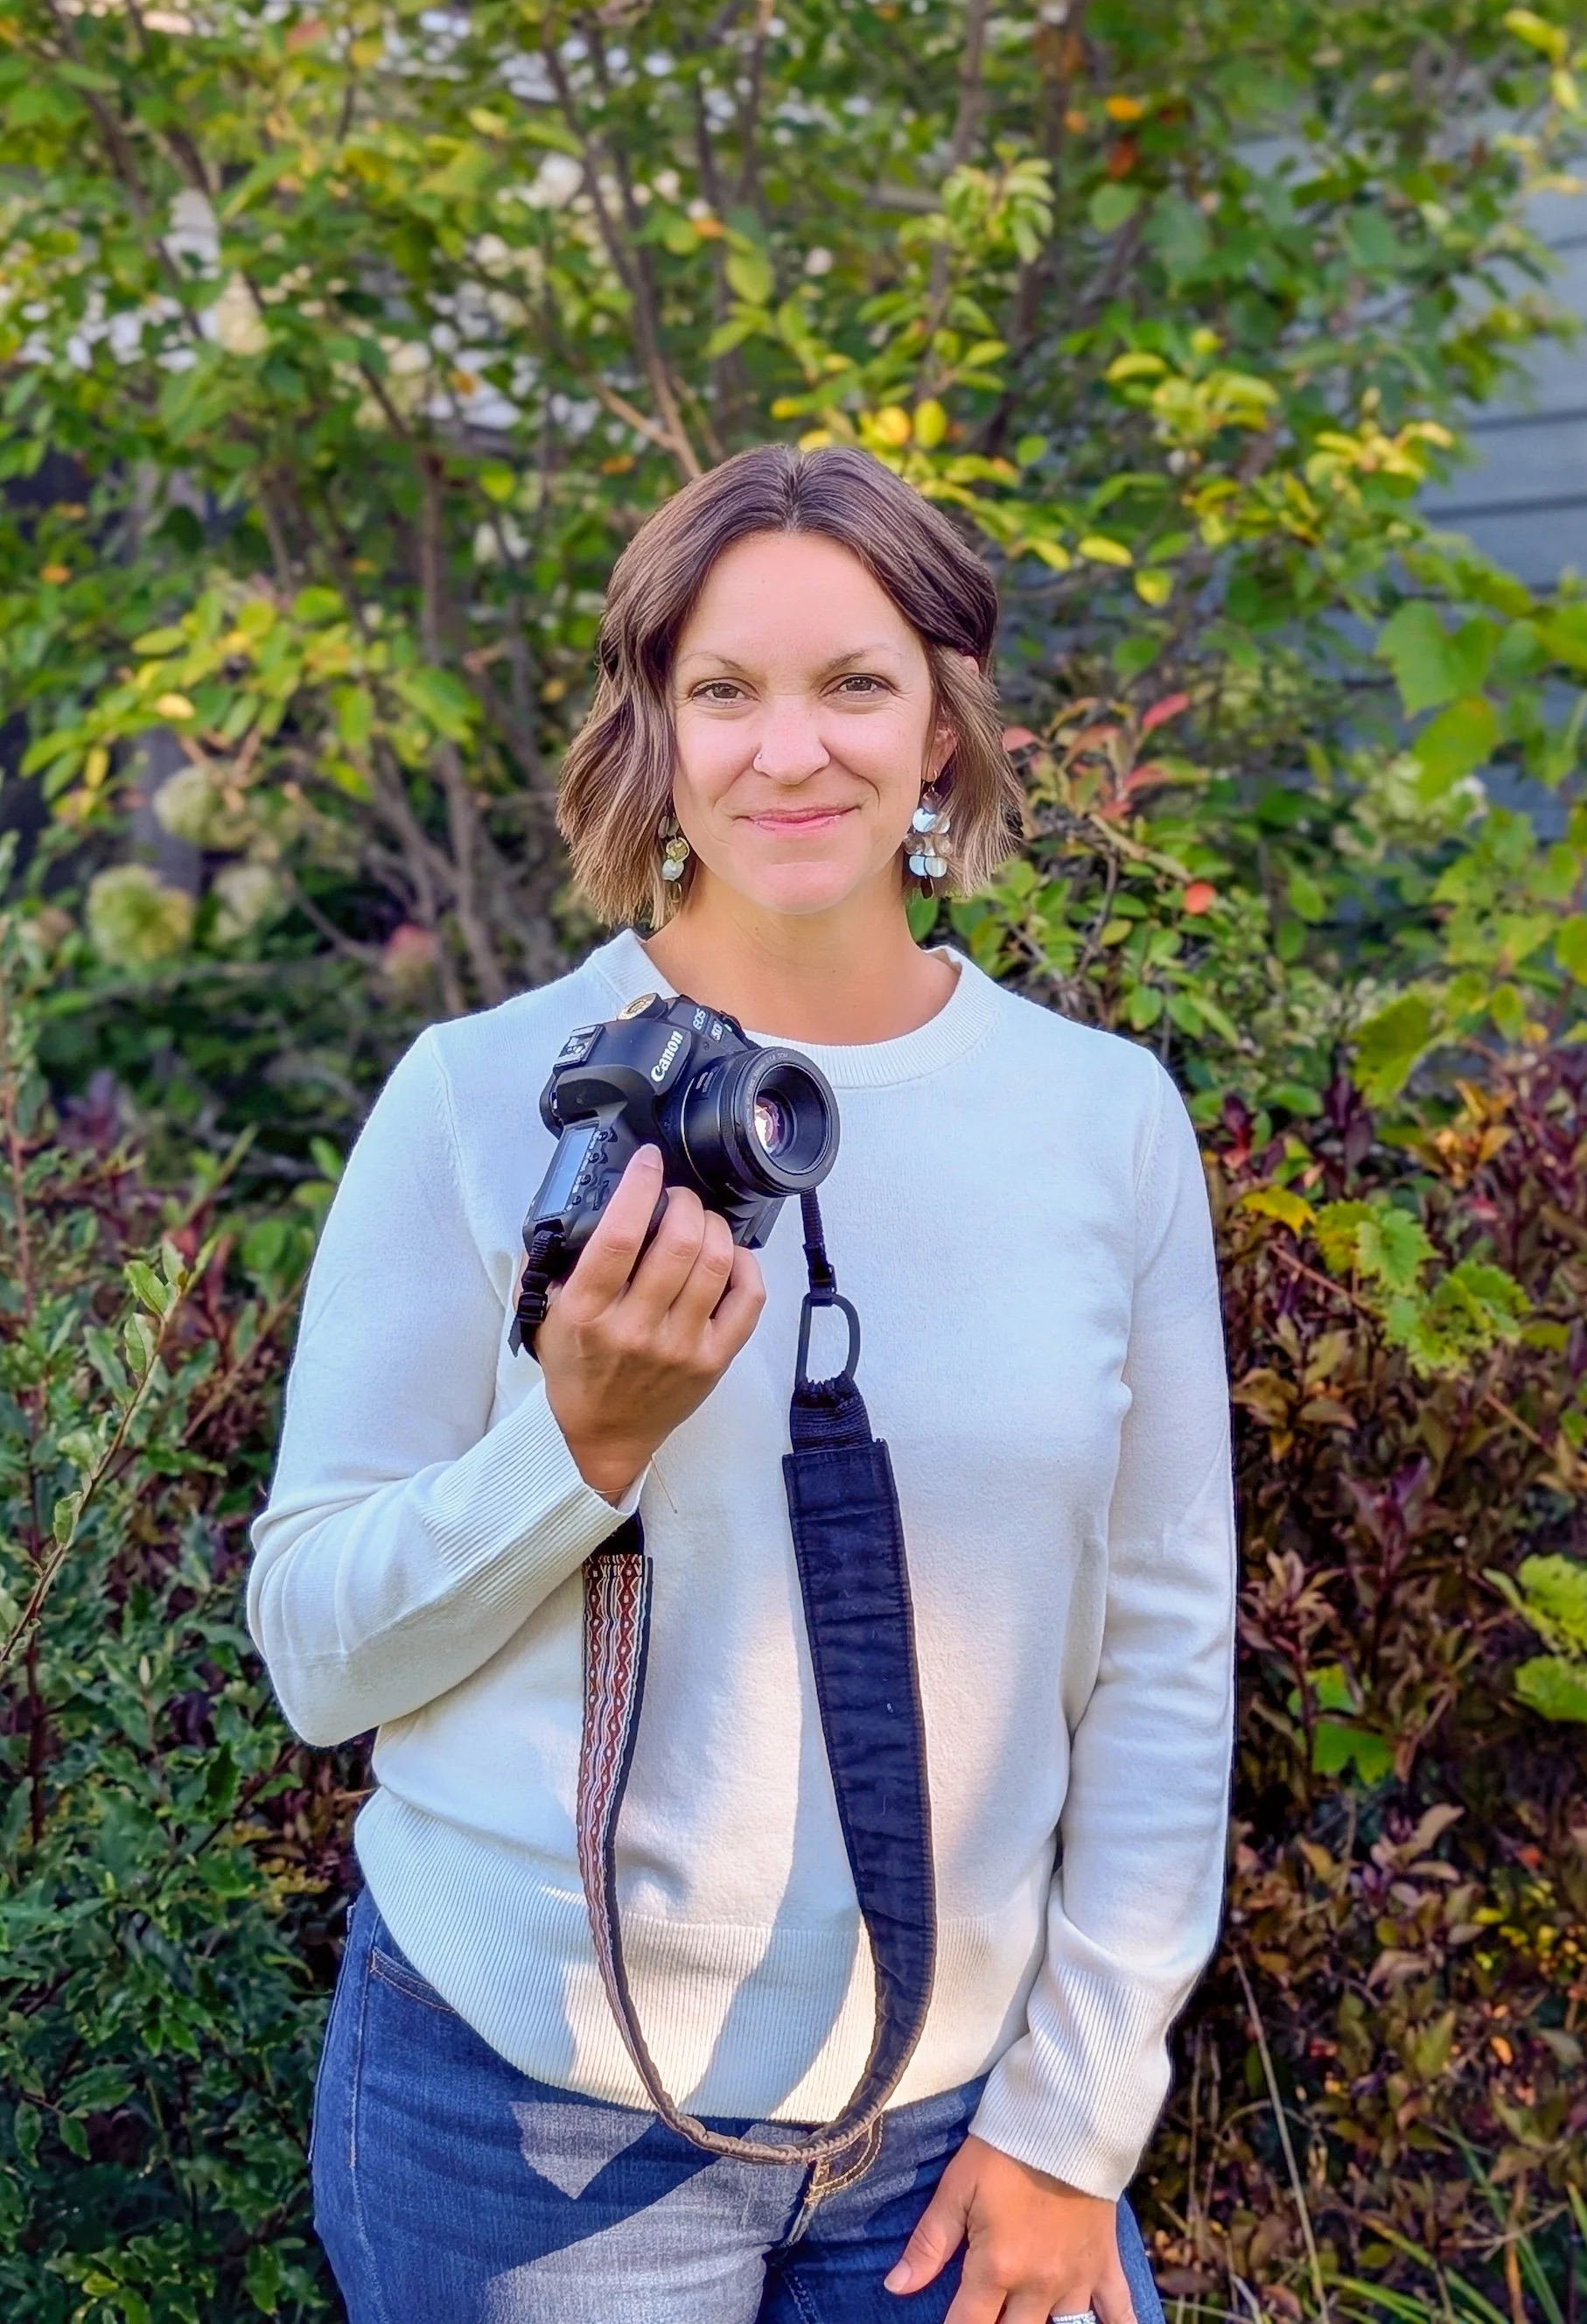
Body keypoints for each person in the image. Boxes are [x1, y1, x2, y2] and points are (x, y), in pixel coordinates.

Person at [248, 442, 1237, 2324]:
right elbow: (315, 1649)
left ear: (944, 723)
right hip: (520, 2122)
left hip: (968, 2127)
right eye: (726, 690)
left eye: (856, 683)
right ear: (657, 733)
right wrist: (578, 1443)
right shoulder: (483, 1094)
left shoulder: (1102, 1119)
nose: (793, 751)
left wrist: (1078, 2118)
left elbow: (1170, 1646)